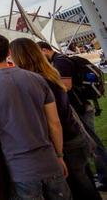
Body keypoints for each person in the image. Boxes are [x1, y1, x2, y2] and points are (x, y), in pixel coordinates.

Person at [0, 34, 71, 199]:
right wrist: (60, 155)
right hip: (49, 160)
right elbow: (55, 123)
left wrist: (3, 141)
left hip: (19, 169)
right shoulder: (37, 79)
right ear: (9, 52)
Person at [11, 38, 101, 200]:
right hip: (74, 135)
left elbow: (54, 122)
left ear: (20, 57)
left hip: (64, 140)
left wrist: (58, 154)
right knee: (84, 179)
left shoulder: (38, 80)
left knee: (79, 185)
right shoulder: (50, 73)